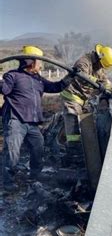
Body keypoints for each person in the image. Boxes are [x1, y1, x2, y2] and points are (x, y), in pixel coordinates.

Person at [1, 46, 76, 191]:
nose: (41, 65)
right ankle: (8, 182)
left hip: (32, 122)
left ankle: (35, 175)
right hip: (15, 120)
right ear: (30, 61)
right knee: (12, 152)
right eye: (39, 61)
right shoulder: (13, 75)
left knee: (38, 148)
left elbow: (56, 87)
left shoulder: (38, 79)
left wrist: (70, 77)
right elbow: (4, 89)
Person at [60, 44, 112, 158]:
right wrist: (98, 83)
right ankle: (72, 152)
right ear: (98, 57)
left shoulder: (98, 65)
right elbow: (82, 76)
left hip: (82, 99)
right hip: (71, 96)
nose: (101, 67)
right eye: (101, 65)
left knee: (86, 122)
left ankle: (72, 144)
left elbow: (104, 80)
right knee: (73, 126)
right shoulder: (84, 62)